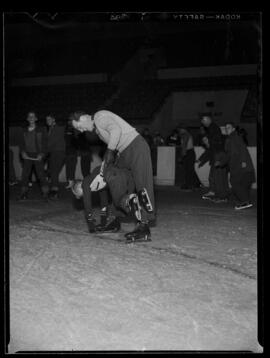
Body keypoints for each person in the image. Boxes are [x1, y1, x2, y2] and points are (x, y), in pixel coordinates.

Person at [71, 109, 155, 242]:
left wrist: (110, 151)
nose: (81, 131)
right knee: (114, 179)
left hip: (136, 146)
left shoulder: (99, 117)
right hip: (124, 152)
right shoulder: (98, 131)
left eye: (79, 127)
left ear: (82, 118)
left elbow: (116, 130)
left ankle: (144, 227)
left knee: (142, 184)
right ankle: (117, 218)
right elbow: (116, 144)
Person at [72, 164, 152, 242]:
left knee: (120, 201)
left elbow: (87, 204)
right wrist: (103, 223)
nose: (83, 196)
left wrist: (91, 226)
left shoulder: (85, 183)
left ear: (79, 187)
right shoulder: (97, 182)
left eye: (79, 195)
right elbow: (104, 202)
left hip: (115, 176)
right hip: (125, 175)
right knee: (117, 202)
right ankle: (138, 200)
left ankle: (134, 203)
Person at [215, 122, 255, 210]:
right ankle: (245, 201)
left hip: (239, 165)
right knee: (241, 184)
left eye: (228, 127)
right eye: (225, 128)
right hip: (239, 165)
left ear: (233, 129)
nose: (226, 129)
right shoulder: (231, 138)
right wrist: (221, 162)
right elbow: (229, 154)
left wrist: (243, 162)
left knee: (234, 182)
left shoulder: (234, 137)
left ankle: (245, 201)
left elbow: (242, 149)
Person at [17, 111, 49, 200]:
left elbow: (45, 144)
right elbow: (21, 144)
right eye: (29, 116)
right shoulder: (23, 130)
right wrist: (22, 152)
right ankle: (23, 193)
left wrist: (42, 154)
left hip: (38, 155)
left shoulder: (42, 129)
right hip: (27, 155)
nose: (31, 118)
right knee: (25, 175)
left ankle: (45, 193)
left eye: (33, 116)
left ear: (36, 119)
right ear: (27, 119)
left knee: (41, 175)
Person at [200, 115, 229, 202]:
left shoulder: (213, 128)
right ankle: (216, 193)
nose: (203, 123)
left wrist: (207, 142)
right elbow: (212, 145)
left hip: (218, 154)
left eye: (204, 121)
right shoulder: (213, 128)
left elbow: (214, 143)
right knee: (216, 176)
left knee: (218, 176)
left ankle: (222, 196)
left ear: (209, 120)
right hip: (218, 154)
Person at [45, 114, 66, 199]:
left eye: (49, 119)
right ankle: (54, 190)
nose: (47, 121)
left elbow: (51, 143)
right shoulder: (50, 129)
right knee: (53, 171)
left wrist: (42, 151)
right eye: (46, 120)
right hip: (54, 153)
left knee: (54, 171)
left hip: (59, 152)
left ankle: (54, 190)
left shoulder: (58, 128)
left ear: (54, 120)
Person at [65, 114, 79, 189]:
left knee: (72, 168)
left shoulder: (76, 129)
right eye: (69, 120)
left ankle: (71, 183)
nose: (70, 122)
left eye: (71, 120)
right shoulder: (66, 129)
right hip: (67, 151)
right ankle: (70, 183)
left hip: (73, 152)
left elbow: (78, 140)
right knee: (68, 168)